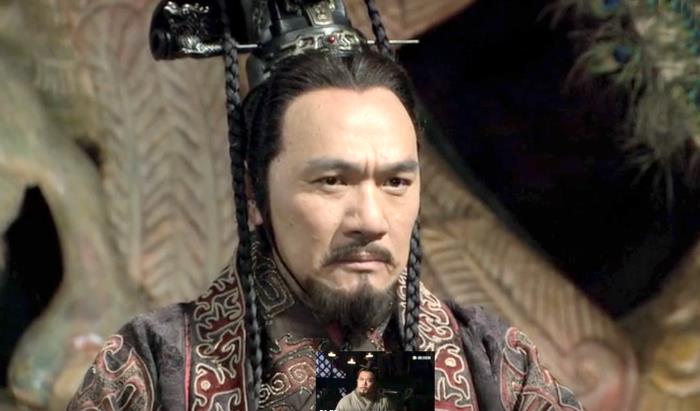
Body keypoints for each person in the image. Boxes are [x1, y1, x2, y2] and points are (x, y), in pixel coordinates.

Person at [69, 1, 584, 410]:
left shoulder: (496, 364)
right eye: (332, 181)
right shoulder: (147, 373)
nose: (371, 220)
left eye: (396, 182)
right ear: (254, 189)